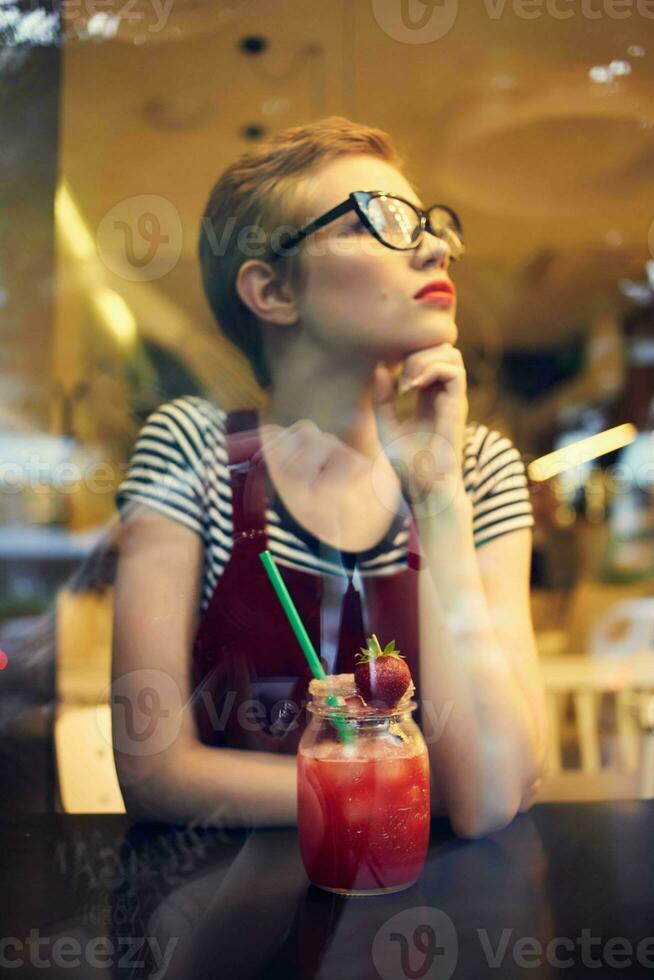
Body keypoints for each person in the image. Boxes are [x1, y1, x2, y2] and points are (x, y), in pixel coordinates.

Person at [112, 116, 547, 839]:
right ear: (273, 292)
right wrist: (402, 789)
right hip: (228, 926)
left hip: (433, 913)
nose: (436, 246)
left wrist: (436, 498)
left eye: (431, 225)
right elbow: (156, 770)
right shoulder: (193, 452)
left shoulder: (477, 467)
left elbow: (495, 794)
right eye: (379, 221)